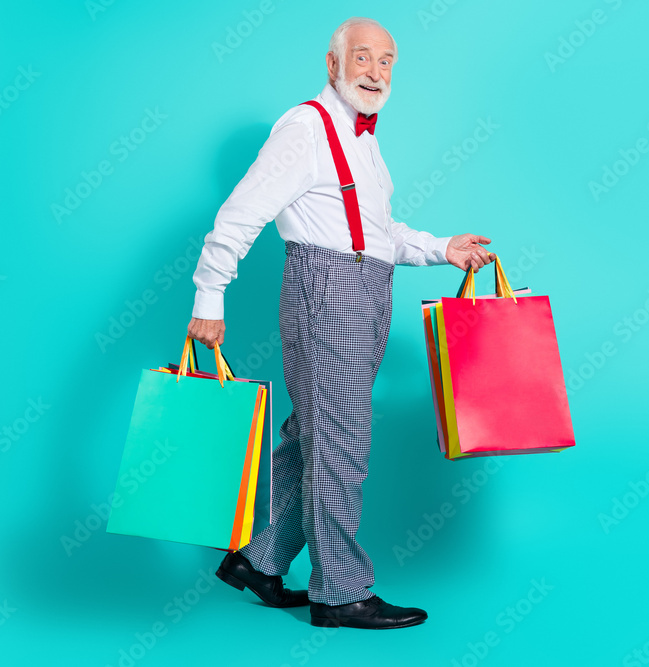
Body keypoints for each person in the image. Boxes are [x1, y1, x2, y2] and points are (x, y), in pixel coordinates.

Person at [187, 16, 494, 629]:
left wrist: (441, 248)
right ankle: (340, 593)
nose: (376, 72)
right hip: (328, 290)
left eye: (386, 62)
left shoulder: (363, 140)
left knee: (313, 435)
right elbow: (240, 214)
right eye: (363, 58)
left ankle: (259, 557)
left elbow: (376, 234)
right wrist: (209, 297)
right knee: (340, 442)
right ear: (333, 64)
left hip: (364, 288)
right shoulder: (306, 128)